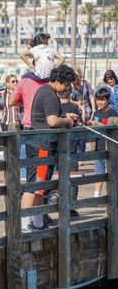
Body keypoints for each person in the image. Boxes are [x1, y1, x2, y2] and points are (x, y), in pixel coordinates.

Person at [21, 65, 76, 232]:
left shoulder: (45, 90)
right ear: (58, 81)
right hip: (42, 146)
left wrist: (64, 117)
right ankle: (23, 225)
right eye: (66, 84)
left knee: (40, 186)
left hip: (39, 143)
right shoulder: (50, 96)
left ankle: (37, 222)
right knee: (34, 185)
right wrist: (68, 121)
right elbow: (52, 121)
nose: (68, 88)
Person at [89, 87, 118, 198]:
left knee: (111, 170)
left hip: (110, 147)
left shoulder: (112, 112)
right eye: (98, 100)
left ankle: (112, 194)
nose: (99, 102)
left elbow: (112, 128)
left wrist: (98, 125)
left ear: (108, 100)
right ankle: (97, 195)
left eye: (102, 100)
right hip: (99, 146)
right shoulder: (96, 112)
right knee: (99, 170)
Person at [58, 86, 83, 217]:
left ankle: (56, 204)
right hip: (72, 148)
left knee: (55, 178)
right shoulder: (74, 108)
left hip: (56, 148)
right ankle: (71, 207)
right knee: (73, 179)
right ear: (70, 96)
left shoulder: (55, 108)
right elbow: (80, 124)